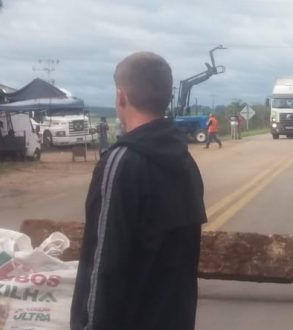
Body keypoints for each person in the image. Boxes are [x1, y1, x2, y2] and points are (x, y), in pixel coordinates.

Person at [71, 52, 207, 330]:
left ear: (121, 97)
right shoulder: (185, 163)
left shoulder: (121, 163)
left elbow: (103, 265)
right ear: (167, 97)